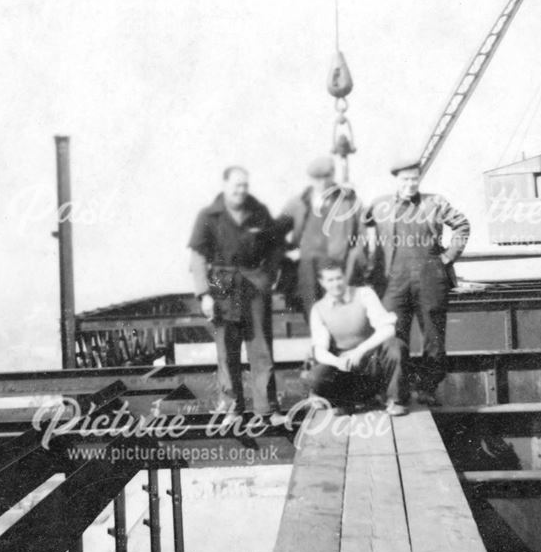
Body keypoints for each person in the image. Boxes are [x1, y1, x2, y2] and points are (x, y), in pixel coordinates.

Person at [357, 158, 470, 406]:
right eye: (405, 179)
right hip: (392, 282)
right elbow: (358, 228)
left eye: (414, 179)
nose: (410, 184)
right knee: (392, 336)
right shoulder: (379, 205)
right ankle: (397, 392)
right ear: (396, 180)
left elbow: (462, 225)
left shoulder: (435, 202)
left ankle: (428, 388)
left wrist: (449, 256)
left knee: (434, 337)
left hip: (430, 278)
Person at [188, 166, 283, 419]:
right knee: (226, 348)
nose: (241, 190)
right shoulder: (208, 215)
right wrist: (204, 294)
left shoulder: (259, 212)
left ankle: (268, 408)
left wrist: (269, 276)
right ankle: (232, 408)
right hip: (221, 282)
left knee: (261, 347)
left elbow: (275, 248)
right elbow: (197, 258)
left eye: (244, 185)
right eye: (236, 185)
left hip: (254, 282)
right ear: (225, 185)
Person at [307, 259, 408, 415]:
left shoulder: (364, 294)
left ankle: (395, 400)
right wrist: (337, 361)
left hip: (371, 359)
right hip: (345, 365)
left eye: (339, 278)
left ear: (345, 277)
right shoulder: (319, 309)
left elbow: (388, 329)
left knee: (395, 346)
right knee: (315, 377)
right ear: (322, 282)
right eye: (330, 280)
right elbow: (320, 349)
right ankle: (350, 400)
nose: (336, 284)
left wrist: (360, 351)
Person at [277, 156, 361, 318]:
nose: (322, 184)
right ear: (310, 179)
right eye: (317, 179)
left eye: (326, 178)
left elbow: (360, 236)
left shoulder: (348, 201)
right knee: (312, 312)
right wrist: (286, 252)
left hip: (337, 266)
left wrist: (353, 262)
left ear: (333, 175)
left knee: (340, 313)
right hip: (306, 267)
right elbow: (274, 232)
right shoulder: (298, 202)